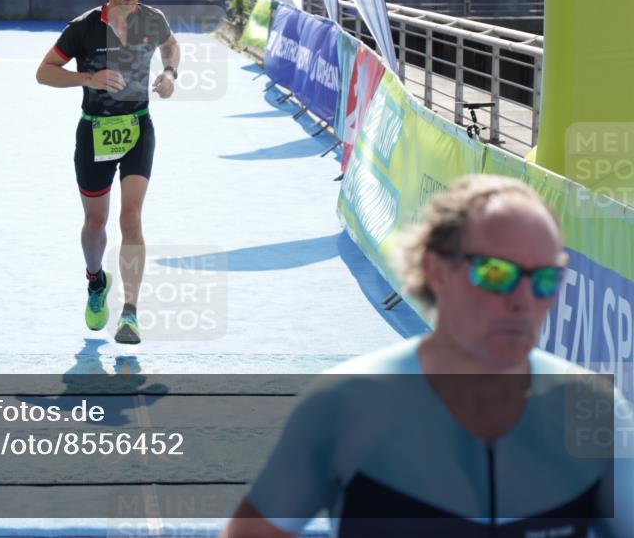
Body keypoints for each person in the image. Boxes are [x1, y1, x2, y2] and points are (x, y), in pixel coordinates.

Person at [222, 174, 633, 538]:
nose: (523, 301)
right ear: (437, 271)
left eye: (546, 279)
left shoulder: (594, 409)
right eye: (495, 274)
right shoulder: (345, 405)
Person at [35, 0, 180, 345]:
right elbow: (44, 73)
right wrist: (88, 80)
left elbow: (171, 46)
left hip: (137, 126)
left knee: (130, 218)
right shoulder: (82, 27)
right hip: (94, 131)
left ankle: (130, 312)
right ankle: (96, 279)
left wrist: (170, 73)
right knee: (96, 223)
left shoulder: (153, 20)